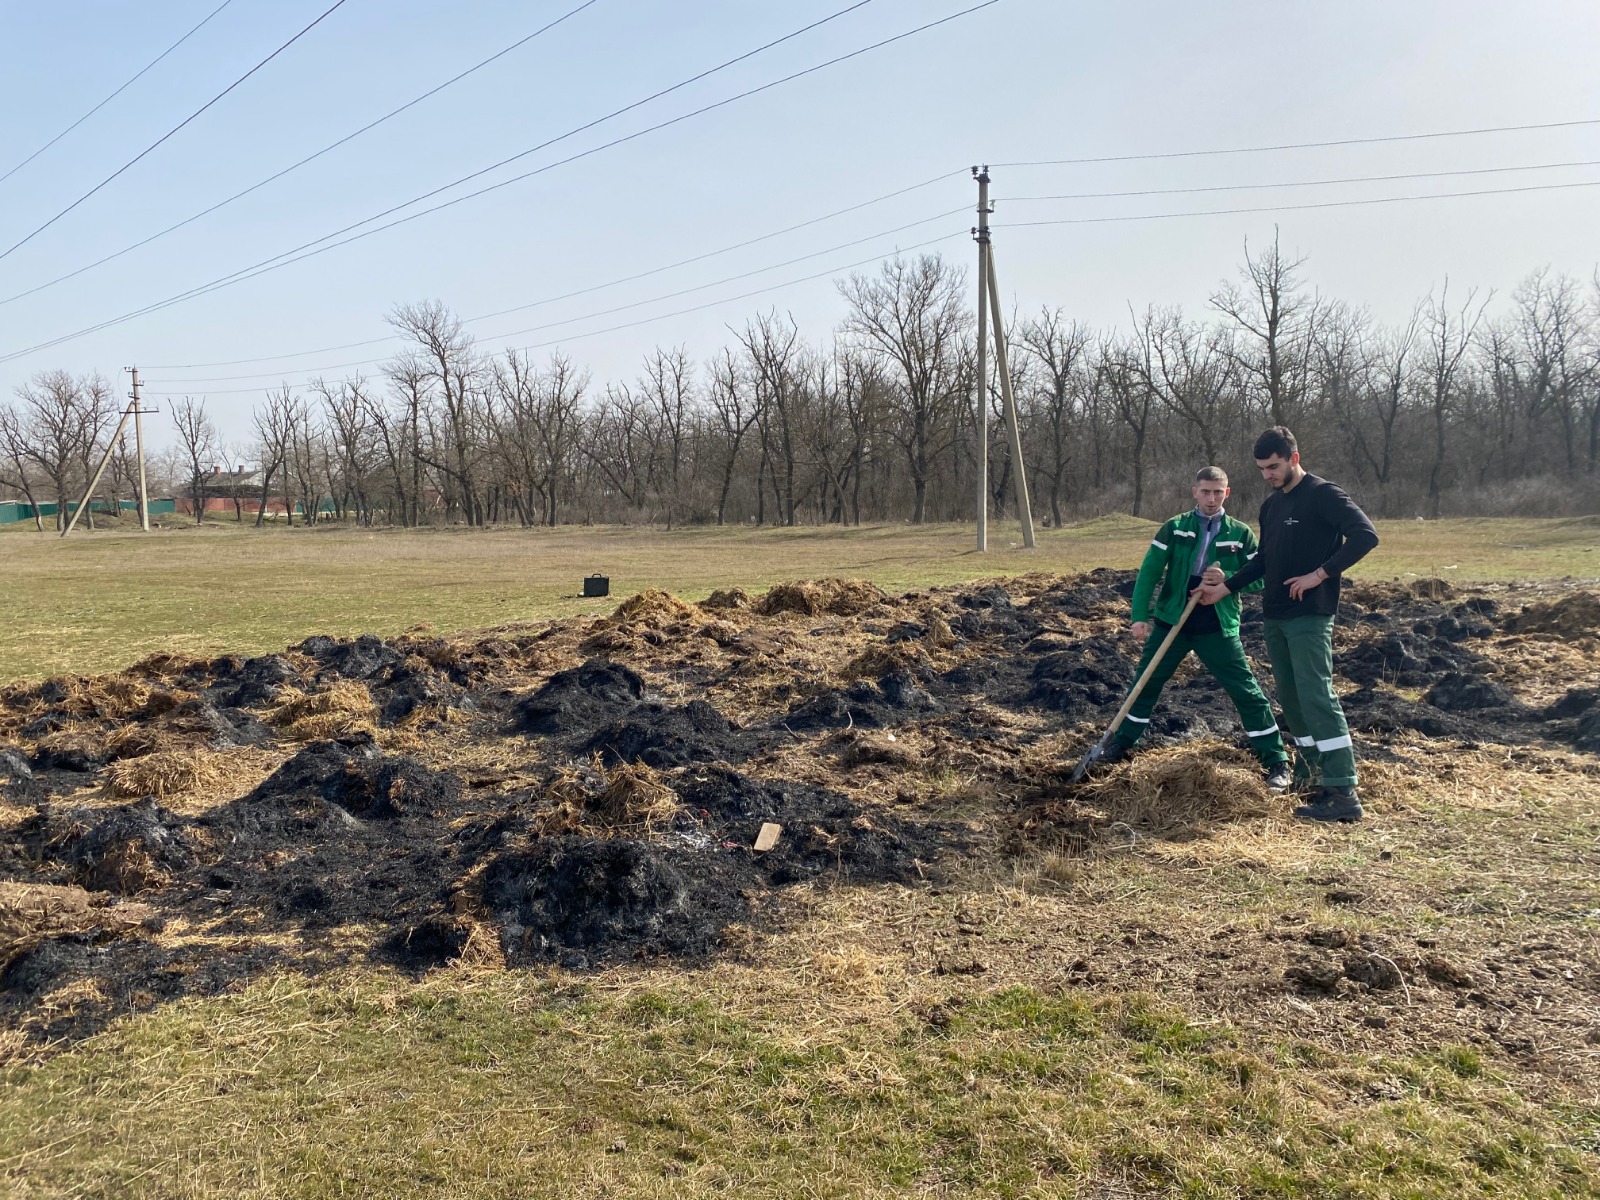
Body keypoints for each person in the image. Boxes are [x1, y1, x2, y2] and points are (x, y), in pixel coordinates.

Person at [1198, 426, 1379, 823]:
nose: (1268, 475)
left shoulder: (1323, 495)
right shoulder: (1272, 506)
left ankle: (1342, 789)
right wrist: (1226, 588)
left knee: (1316, 695)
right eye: (1262, 469)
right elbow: (1264, 560)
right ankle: (1311, 773)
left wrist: (1321, 574)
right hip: (1275, 615)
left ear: (1294, 458)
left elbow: (1366, 536)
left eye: (1274, 467)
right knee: (1292, 697)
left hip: (1310, 615)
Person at [1101, 466, 1292, 792]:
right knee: (1145, 683)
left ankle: (1276, 760)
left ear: (1227, 493)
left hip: (1217, 624)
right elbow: (1149, 572)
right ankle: (1120, 743)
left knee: (1246, 691)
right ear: (1195, 492)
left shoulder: (1240, 533)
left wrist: (1227, 576)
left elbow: (1261, 575)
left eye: (1218, 492)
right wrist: (1139, 616)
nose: (1211, 498)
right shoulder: (1175, 528)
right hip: (1173, 620)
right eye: (1206, 491)